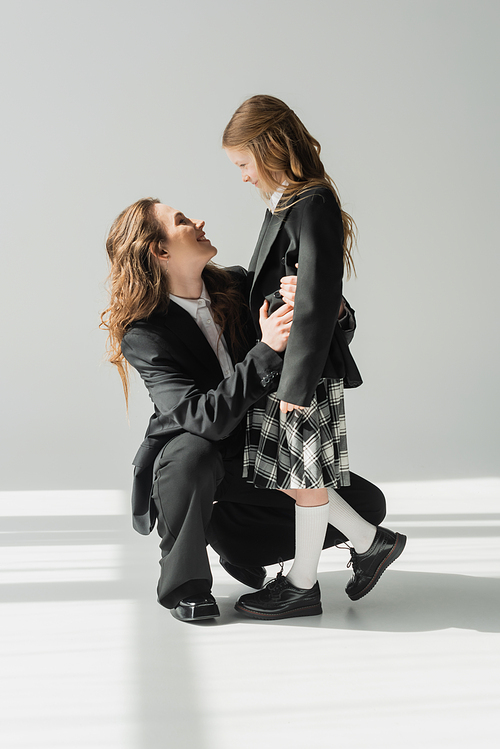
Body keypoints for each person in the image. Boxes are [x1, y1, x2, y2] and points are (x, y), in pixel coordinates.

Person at [101, 197, 387, 622]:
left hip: (258, 446)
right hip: (197, 454)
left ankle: (236, 543)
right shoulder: (144, 333)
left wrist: (331, 307)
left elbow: (310, 322)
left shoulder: (237, 286)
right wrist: (266, 349)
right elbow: (203, 418)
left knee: (368, 502)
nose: (198, 220)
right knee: (191, 454)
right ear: (159, 251)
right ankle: (189, 588)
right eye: (181, 221)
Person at [223, 94, 406, 620]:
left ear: (268, 147)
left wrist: (294, 389)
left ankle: (303, 586)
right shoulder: (290, 202)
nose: (240, 176)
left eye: (242, 164)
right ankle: (371, 544)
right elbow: (296, 286)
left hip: (303, 373)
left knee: (302, 481)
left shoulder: (314, 202)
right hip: (288, 370)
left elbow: (321, 300)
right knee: (300, 477)